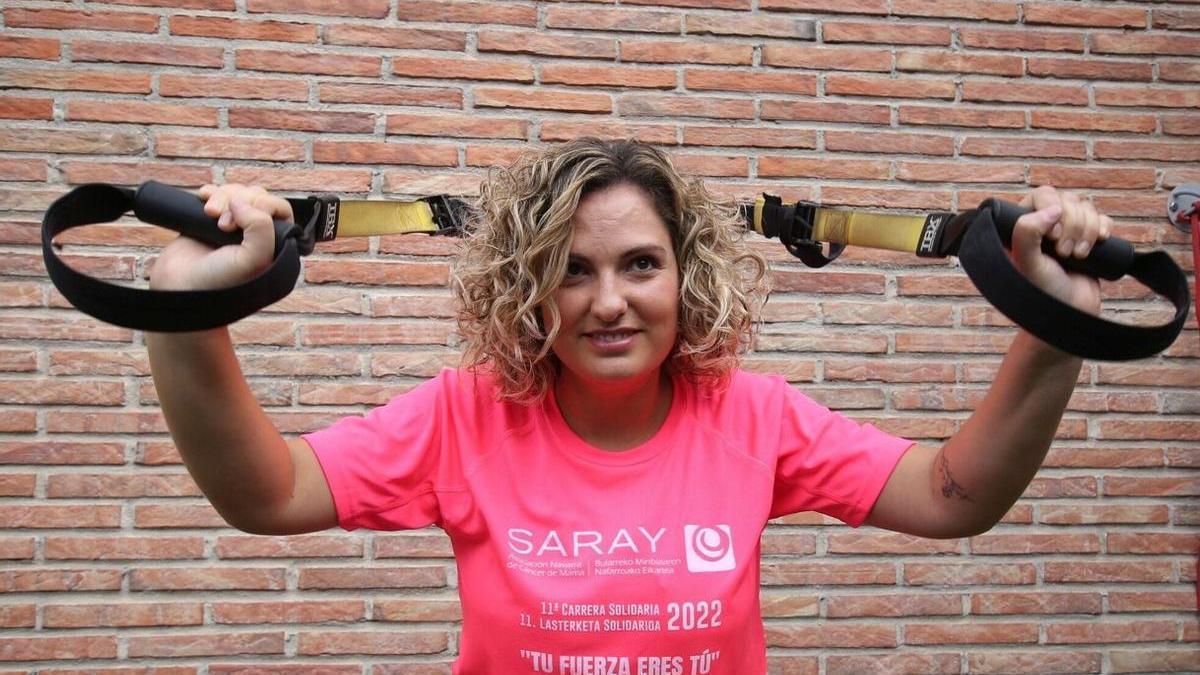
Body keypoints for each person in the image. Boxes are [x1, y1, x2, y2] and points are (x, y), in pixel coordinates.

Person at [146, 138, 1110, 673]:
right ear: (527, 289)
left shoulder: (753, 416)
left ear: (686, 276)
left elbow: (951, 494)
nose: (608, 299)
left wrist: (1056, 329)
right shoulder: (464, 416)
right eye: (571, 272)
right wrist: (182, 316)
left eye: (640, 263)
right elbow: (268, 493)